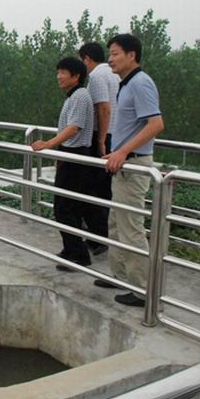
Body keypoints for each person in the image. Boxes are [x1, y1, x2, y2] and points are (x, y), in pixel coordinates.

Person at [98, 34, 164, 308]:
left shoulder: (140, 83)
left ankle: (142, 290)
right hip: (123, 165)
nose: (110, 59)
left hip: (134, 164)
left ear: (132, 55)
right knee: (116, 223)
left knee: (131, 227)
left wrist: (123, 151)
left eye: (115, 54)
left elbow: (156, 124)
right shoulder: (126, 84)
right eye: (110, 54)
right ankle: (120, 276)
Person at [32, 57, 95, 271]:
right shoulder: (74, 96)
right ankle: (70, 249)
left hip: (75, 156)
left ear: (76, 76)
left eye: (63, 72)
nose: (58, 76)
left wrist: (48, 144)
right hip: (69, 154)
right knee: (66, 206)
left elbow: (74, 127)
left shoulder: (80, 96)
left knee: (65, 207)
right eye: (58, 72)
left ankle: (79, 255)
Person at [79, 42, 120, 256]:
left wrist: (101, 140)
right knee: (104, 189)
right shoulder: (114, 74)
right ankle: (103, 235)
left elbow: (104, 109)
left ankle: (99, 236)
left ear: (87, 59)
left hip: (102, 135)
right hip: (116, 134)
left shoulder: (96, 76)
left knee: (91, 188)